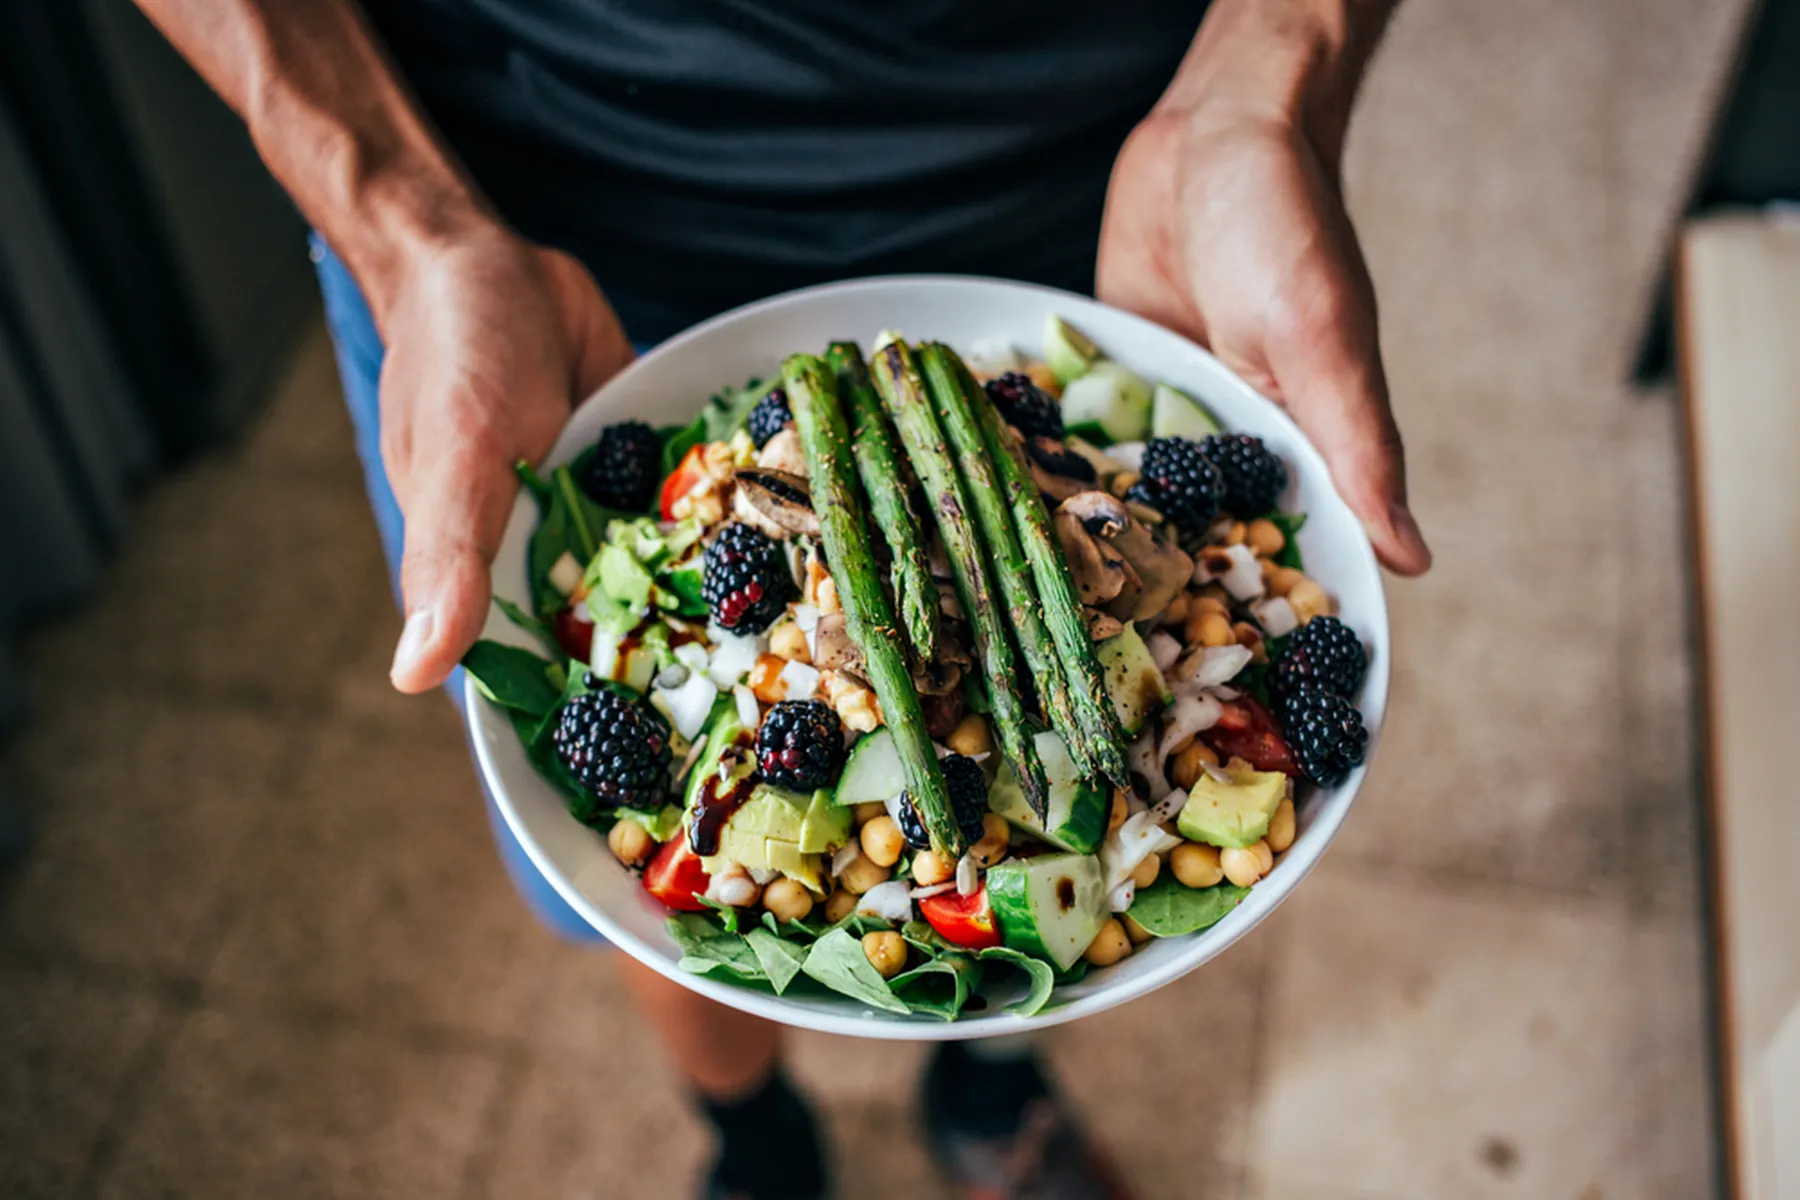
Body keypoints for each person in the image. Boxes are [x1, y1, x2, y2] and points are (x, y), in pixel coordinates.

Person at [135, 2, 1432, 1196]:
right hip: (507, 229)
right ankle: (754, 1135)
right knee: (637, 901)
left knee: (1067, 905)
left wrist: (1268, 79)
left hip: (1099, 206)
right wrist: (395, 217)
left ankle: (991, 1085)